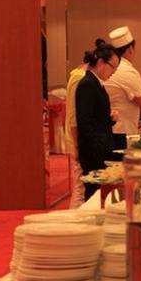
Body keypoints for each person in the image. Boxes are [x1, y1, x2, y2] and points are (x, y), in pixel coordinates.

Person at [75, 40, 121, 201]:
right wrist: (100, 150)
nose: (114, 72)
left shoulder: (96, 83)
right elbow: (85, 123)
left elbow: (96, 118)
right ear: (101, 62)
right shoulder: (87, 84)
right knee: (93, 196)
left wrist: (110, 118)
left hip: (99, 150)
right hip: (94, 153)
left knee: (100, 196)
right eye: (113, 67)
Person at [104, 26, 141, 149]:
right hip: (123, 132)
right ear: (130, 49)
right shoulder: (128, 71)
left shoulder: (107, 67)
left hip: (107, 128)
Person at [64, 56, 90, 208]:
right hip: (77, 138)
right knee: (80, 188)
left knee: (81, 186)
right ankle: (74, 219)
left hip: (78, 137)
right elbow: (74, 116)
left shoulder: (79, 75)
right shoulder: (79, 78)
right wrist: (77, 145)